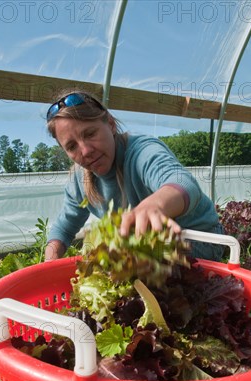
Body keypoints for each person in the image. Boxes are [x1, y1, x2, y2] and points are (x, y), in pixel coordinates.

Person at [44, 90, 224, 261]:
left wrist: (155, 205)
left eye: (90, 134)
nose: (85, 151)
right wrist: (49, 262)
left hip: (200, 238)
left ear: (111, 124)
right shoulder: (79, 179)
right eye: (72, 146)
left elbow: (184, 183)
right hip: (152, 245)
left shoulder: (141, 151)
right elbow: (63, 229)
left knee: (132, 265)